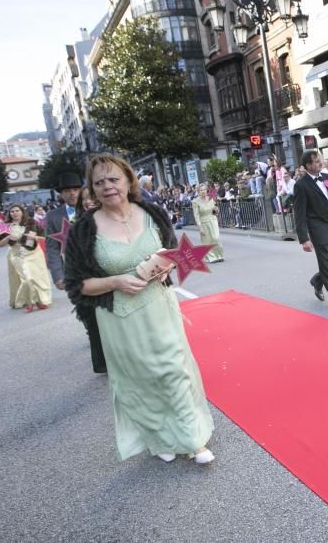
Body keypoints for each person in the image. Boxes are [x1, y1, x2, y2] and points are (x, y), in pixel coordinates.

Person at [63, 154, 215, 464]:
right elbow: (77, 285)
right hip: (118, 317)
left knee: (174, 371)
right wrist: (115, 281)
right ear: (91, 189)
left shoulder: (152, 212)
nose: (108, 187)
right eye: (99, 182)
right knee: (140, 380)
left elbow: (170, 252)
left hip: (160, 307)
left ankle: (193, 439)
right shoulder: (83, 229)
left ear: (129, 180)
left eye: (114, 179)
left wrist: (164, 268)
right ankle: (157, 435)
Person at [293, 150, 328, 311]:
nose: (320, 163)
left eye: (320, 160)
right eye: (316, 161)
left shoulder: (327, 178)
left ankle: (318, 281)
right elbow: (299, 214)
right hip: (318, 228)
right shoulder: (301, 185)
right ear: (308, 166)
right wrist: (304, 239)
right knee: (326, 264)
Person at [0, 204, 53, 312]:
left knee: (36, 278)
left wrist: (34, 237)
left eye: (17, 210)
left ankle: (38, 301)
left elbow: (45, 237)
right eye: (12, 211)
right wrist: (8, 236)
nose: (15, 213)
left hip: (33, 253)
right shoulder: (5, 226)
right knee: (27, 279)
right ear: (9, 213)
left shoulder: (31, 222)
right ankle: (31, 302)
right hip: (17, 255)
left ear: (22, 212)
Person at [45, 172, 84, 291]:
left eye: (75, 189)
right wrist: (58, 276)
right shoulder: (52, 216)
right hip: (73, 270)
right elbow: (52, 248)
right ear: (61, 194)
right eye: (67, 191)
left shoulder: (94, 210)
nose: (72, 193)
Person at [191, 184, 225, 263]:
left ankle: (220, 255)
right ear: (198, 192)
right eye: (201, 190)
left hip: (213, 220)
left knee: (216, 238)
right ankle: (212, 257)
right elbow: (196, 215)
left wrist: (216, 210)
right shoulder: (195, 201)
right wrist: (200, 227)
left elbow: (215, 211)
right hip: (203, 222)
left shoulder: (211, 198)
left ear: (207, 190)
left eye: (204, 190)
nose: (203, 191)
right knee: (207, 241)